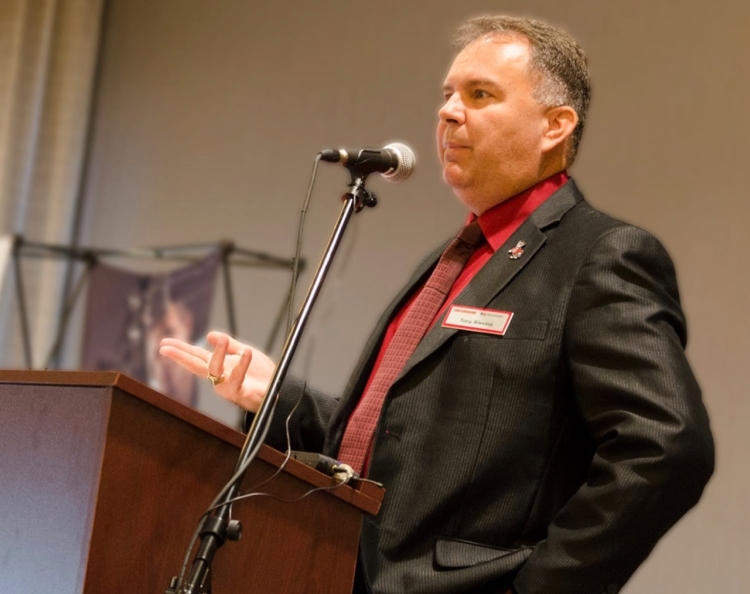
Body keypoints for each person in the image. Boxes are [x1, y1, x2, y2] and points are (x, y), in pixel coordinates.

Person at [160, 15, 714, 594]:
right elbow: (397, 444)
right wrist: (277, 399)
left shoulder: (599, 255)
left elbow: (666, 446)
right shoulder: (454, 258)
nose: (449, 112)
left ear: (555, 125)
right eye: (448, 94)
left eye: (480, 95)